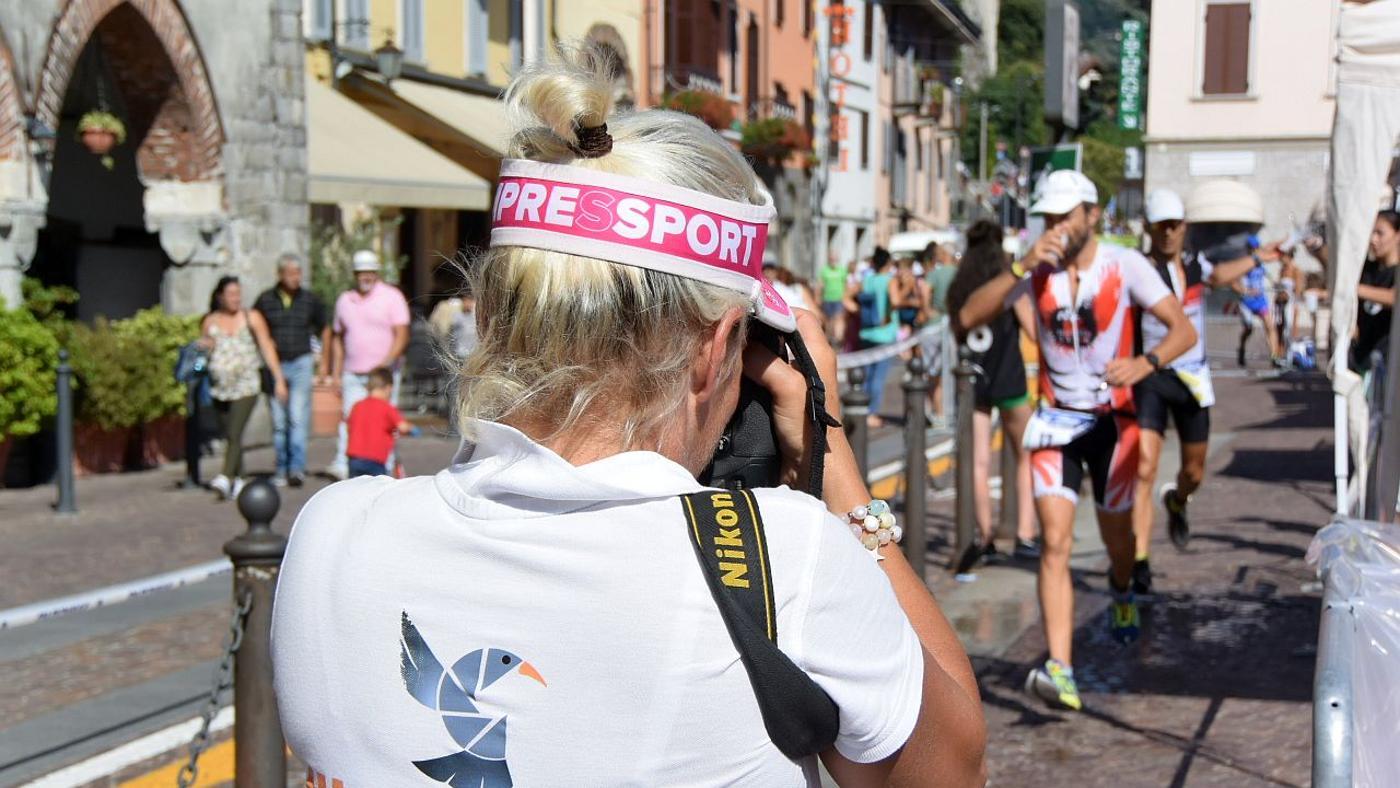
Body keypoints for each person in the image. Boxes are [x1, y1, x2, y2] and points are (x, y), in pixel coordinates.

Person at [271, 46, 985, 786]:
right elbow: (957, 768)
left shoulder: (333, 536)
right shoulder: (785, 561)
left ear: (490, 318)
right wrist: (827, 449)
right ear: (714, 353)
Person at [956, 170, 1195, 711]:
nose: (1056, 226)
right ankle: (1060, 667)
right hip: (1056, 423)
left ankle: (1120, 588)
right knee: (1055, 543)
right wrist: (1020, 266)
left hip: (1114, 425)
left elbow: (1184, 330)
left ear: (1091, 215)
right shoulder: (1033, 264)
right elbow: (968, 315)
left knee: (1117, 541)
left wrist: (1145, 362)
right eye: (1048, 216)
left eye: (1066, 215)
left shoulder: (1124, 263)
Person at [1129, 190, 1279, 594]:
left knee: (1194, 472)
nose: (1167, 234)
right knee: (1143, 468)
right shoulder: (1138, 269)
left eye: (1174, 226)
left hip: (1192, 377)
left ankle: (1177, 501)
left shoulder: (1196, 265)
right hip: (1152, 373)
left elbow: (1220, 277)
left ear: (1184, 228)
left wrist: (1259, 258)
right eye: (1160, 226)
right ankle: (1139, 561)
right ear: (1148, 229)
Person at [944, 221, 1039, 567]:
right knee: (1026, 453)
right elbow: (1031, 328)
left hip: (975, 379)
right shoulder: (1007, 286)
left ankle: (984, 535)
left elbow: (956, 328)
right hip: (1009, 376)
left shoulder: (960, 287)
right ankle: (1025, 532)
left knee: (979, 461)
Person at [326, 250, 411, 480]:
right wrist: (335, 372)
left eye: (370, 272)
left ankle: (387, 463)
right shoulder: (345, 300)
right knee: (349, 418)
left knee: (386, 419)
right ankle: (345, 462)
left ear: (376, 273)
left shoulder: (392, 296)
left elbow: (401, 333)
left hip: (382, 374)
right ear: (355, 274)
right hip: (353, 372)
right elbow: (337, 337)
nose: (366, 277)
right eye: (362, 272)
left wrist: (386, 363)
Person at [201, 276, 286, 500]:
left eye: (238, 294)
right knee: (230, 434)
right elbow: (206, 350)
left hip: (246, 385)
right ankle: (239, 480)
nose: (236, 298)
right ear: (220, 296)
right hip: (220, 387)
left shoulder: (252, 317)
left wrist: (278, 379)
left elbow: (267, 347)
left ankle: (224, 476)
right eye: (231, 294)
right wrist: (205, 346)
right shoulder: (210, 320)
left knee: (235, 431)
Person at [254, 253, 330, 488]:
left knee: (297, 416)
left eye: (299, 273)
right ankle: (281, 468)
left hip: (301, 362)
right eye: (291, 274)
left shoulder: (309, 300)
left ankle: (296, 468)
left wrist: (324, 360)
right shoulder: (265, 300)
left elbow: (325, 327)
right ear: (280, 275)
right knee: (278, 420)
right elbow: (257, 330)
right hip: (273, 364)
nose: (296, 278)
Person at [846, 247, 900, 428]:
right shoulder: (889, 281)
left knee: (867, 374)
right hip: (884, 334)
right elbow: (896, 301)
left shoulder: (866, 280)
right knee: (879, 376)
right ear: (888, 263)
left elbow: (846, 297)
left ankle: (862, 410)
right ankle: (872, 413)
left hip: (866, 332)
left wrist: (859, 312)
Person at [346, 367, 416, 478]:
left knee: (356, 490)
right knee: (377, 492)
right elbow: (403, 427)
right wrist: (413, 429)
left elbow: (349, 426)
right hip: (375, 460)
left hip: (354, 458)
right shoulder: (387, 408)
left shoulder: (357, 406)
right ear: (388, 388)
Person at [925, 242, 958, 425]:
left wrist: (927, 310)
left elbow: (924, 290)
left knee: (933, 372)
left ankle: (938, 412)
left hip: (934, 325)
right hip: (953, 326)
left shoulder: (935, 274)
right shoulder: (960, 274)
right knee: (952, 370)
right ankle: (949, 410)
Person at [817, 252, 849, 340]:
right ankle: (829, 338)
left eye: (835, 259)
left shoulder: (842, 270)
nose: (833, 261)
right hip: (827, 298)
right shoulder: (824, 270)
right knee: (829, 320)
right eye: (831, 259)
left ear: (837, 259)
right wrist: (818, 297)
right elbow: (820, 284)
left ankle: (839, 338)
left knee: (839, 318)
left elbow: (846, 284)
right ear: (829, 260)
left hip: (839, 298)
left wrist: (846, 297)